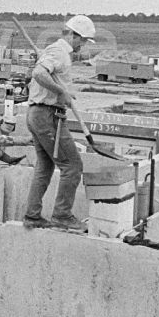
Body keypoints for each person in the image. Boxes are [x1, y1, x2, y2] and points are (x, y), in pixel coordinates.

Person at [22, 15, 95, 231]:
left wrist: (64, 91)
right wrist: (61, 91)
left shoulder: (54, 51)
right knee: (72, 166)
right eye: (81, 40)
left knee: (45, 166)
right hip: (47, 115)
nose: (82, 45)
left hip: (37, 113)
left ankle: (32, 216)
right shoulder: (59, 52)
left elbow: (45, 74)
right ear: (73, 35)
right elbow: (38, 73)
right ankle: (62, 215)